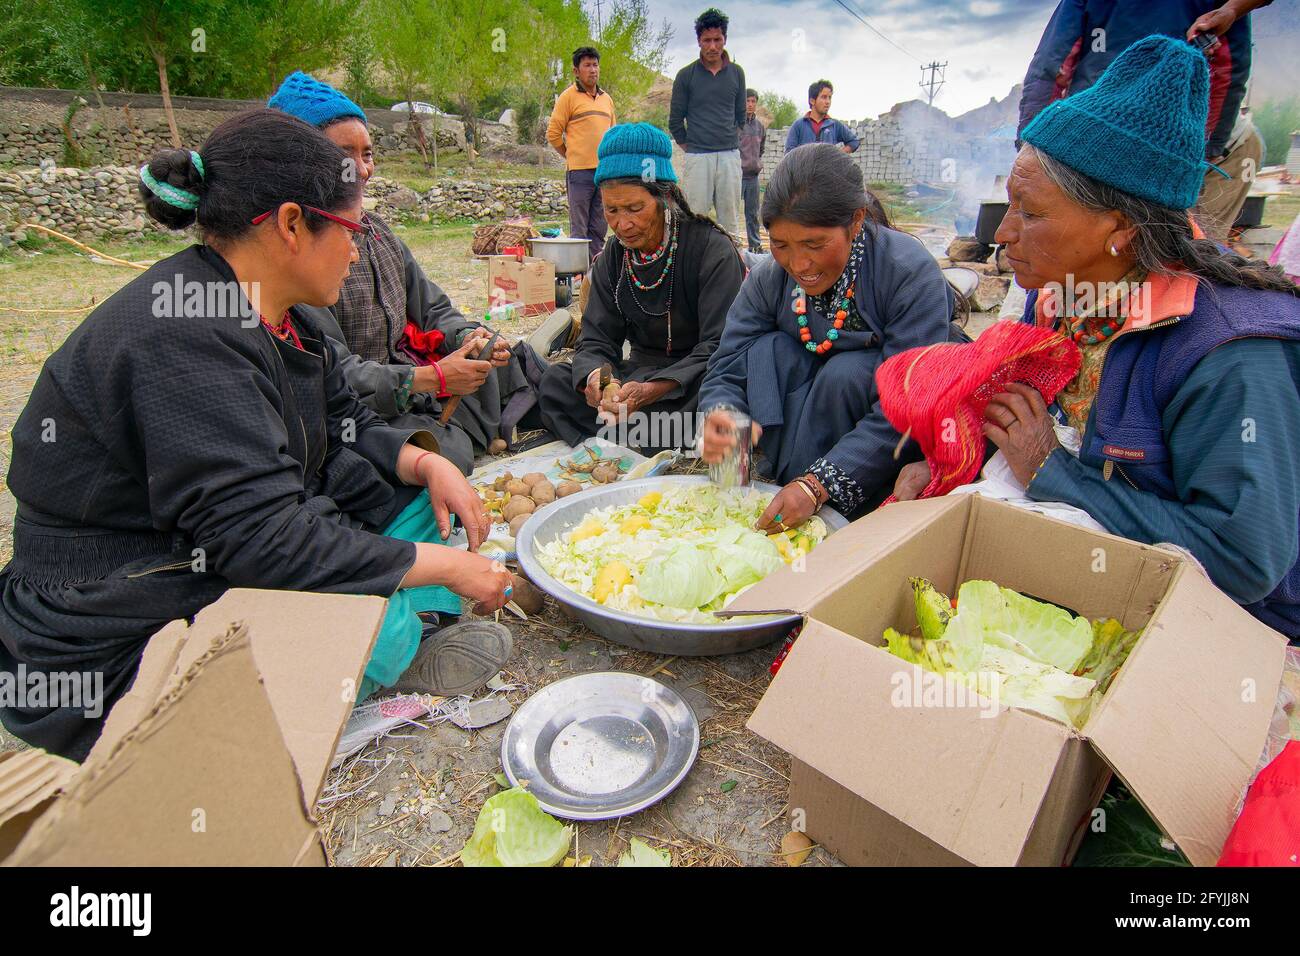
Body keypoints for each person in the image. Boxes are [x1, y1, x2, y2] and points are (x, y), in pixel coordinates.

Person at [0, 110, 516, 760]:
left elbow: (344, 431)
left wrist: (422, 465)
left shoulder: (284, 318)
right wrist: (445, 566)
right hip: (120, 611)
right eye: (350, 231)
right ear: (292, 225)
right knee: (386, 605)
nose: (358, 250)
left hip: (219, 546)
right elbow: (261, 539)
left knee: (424, 500)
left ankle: (397, 625)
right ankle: (381, 650)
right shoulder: (182, 332)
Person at [898, 36, 1300, 641]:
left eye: (1030, 214)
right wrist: (943, 467)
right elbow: (1024, 422)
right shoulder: (1058, 293)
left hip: (1224, 628)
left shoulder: (1229, 355)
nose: (1003, 234)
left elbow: (1243, 561)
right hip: (1087, 571)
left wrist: (1054, 472)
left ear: (1120, 230)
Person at [268, 72, 533, 476]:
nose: (361, 169)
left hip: (412, 376)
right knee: (437, 450)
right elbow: (338, 376)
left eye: (368, 154)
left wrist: (464, 338)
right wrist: (432, 378)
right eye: (344, 155)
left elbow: (433, 308)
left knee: (504, 354)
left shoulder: (378, 232)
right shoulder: (300, 254)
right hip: (364, 401)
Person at [698, 143, 955, 527]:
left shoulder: (907, 272)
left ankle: (833, 499)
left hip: (882, 434)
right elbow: (728, 362)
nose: (799, 264)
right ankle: (776, 476)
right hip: (803, 416)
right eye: (781, 245)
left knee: (847, 372)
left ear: (855, 221)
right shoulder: (772, 277)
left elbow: (907, 402)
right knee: (767, 348)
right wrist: (722, 414)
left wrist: (819, 484)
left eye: (815, 245)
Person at [539, 123, 746, 450]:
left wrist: (658, 388)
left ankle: (628, 438)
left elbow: (720, 346)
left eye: (635, 209)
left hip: (690, 381)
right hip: (636, 383)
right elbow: (596, 339)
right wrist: (601, 381)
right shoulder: (614, 256)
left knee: (716, 402)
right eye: (612, 210)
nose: (623, 224)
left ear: (664, 197)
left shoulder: (710, 249)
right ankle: (641, 440)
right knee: (555, 382)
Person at [1017, 0, 1274, 240]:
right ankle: (1192, 251)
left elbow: (1052, 66)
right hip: (1169, 138)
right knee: (1245, 142)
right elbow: (1229, 72)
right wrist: (1208, 150)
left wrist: (1030, 142)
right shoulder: (1220, 8)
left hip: (1094, 131)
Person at [669, 7, 747, 239]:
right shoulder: (686, 75)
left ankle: (734, 271)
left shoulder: (737, 73)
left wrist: (728, 141)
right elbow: (675, 121)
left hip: (729, 157)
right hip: (697, 158)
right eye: (707, 40)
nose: (712, 46)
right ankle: (693, 271)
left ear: (725, 39)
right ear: (699, 41)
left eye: (717, 39)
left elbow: (741, 116)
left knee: (730, 222)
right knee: (694, 219)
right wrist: (692, 147)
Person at [546, 46, 616, 261]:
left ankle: (595, 275)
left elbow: (613, 135)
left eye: (595, 65)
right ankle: (578, 276)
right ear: (576, 71)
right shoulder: (567, 97)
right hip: (579, 173)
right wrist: (571, 155)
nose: (592, 70)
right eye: (587, 65)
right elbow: (553, 134)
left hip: (603, 173)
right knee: (580, 229)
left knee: (599, 226)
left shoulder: (607, 100)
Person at [784, 80, 860, 154]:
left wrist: (838, 155)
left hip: (828, 167)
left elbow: (854, 141)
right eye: (824, 97)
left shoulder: (834, 125)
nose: (828, 102)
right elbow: (788, 154)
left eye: (829, 97)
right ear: (812, 101)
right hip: (805, 167)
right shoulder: (799, 125)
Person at [739, 88, 766, 254]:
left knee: (753, 214)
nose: (750, 104)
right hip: (737, 176)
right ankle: (732, 245)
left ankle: (755, 246)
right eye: (747, 101)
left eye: (753, 101)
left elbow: (761, 149)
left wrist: (755, 163)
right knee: (732, 212)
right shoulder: (736, 125)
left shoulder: (760, 127)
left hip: (753, 177)